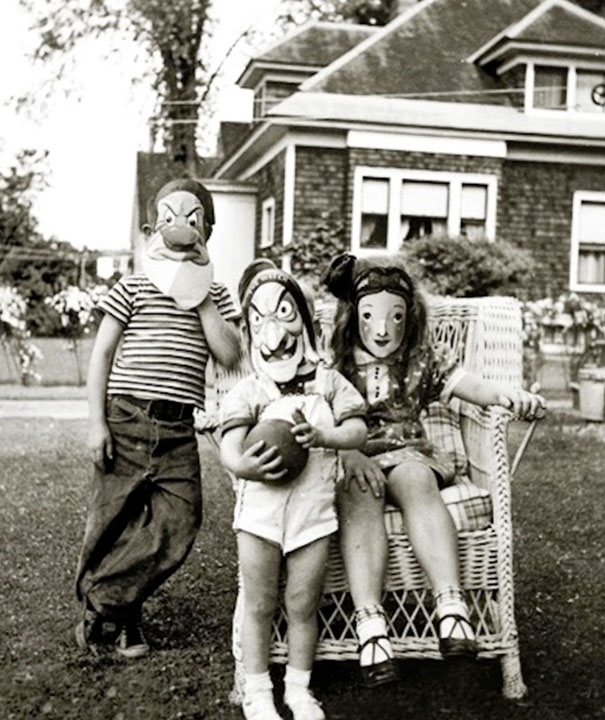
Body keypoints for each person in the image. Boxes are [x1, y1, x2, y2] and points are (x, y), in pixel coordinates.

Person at [323, 252, 546, 687]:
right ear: (354, 315)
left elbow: (471, 387)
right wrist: (347, 453)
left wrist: (509, 396)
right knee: (357, 494)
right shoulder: (337, 360)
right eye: (371, 316)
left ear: (410, 317)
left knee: (417, 481)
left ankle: (450, 605)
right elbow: (317, 410)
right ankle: (370, 623)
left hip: (409, 451)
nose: (383, 329)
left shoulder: (423, 357)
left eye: (396, 317)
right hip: (354, 456)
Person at [75, 178, 241, 658]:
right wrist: (95, 423)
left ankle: (102, 601)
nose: (183, 227)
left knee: (180, 520)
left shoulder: (216, 292)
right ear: (152, 227)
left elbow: (229, 354)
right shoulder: (132, 285)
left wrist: (202, 295)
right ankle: (125, 623)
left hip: (176, 428)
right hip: (126, 417)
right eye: (172, 217)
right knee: (114, 523)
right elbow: (103, 355)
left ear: (207, 230)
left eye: (195, 219)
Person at [220, 259, 367, 720]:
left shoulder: (329, 383)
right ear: (248, 332)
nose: (273, 330)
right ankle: (257, 688)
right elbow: (228, 445)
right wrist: (243, 463)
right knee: (260, 602)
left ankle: (299, 689)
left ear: (304, 321)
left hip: (313, 513)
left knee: (304, 602)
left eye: (284, 313)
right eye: (259, 318)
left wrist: (326, 438)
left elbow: (358, 430)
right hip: (260, 515)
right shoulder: (248, 390)